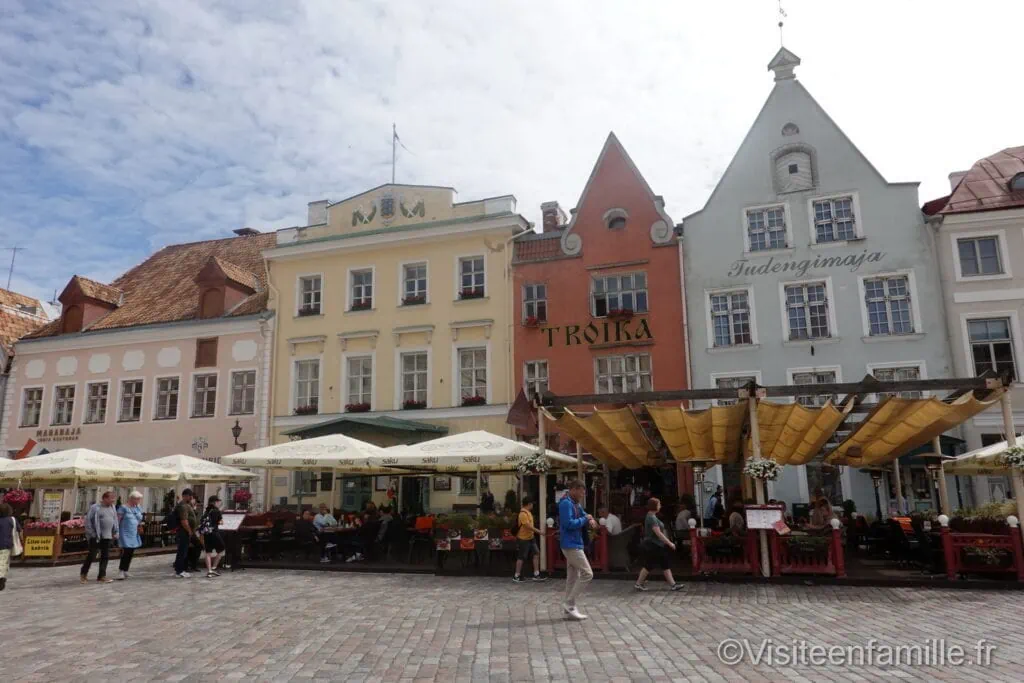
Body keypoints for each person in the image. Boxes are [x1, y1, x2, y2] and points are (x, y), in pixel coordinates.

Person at [559, 480, 597, 621]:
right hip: (571, 544)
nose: (583, 495)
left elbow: (584, 514)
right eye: (581, 492)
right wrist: (584, 520)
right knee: (588, 573)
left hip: (574, 543)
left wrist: (590, 518)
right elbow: (568, 524)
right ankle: (569, 603)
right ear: (573, 490)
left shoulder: (575, 503)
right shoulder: (566, 504)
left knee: (572, 578)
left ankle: (569, 611)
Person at [634, 498, 683, 592]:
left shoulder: (652, 516)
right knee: (651, 564)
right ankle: (639, 583)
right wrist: (669, 543)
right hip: (654, 544)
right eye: (659, 504)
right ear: (654, 506)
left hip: (656, 544)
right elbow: (658, 533)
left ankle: (673, 584)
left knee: (661, 563)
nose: (660, 506)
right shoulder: (651, 518)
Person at [81, 491, 119, 584]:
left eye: (114, 498)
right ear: (105, 498)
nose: (113, 500)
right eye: (111, 498)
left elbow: (115, 519)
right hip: (96, 536)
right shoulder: (95, 507)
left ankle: (101, 576)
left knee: (105, 556)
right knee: (92, 555)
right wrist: (93, 534)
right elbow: (88, 522)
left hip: (107, 535)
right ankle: (83, 573)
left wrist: (116, 531)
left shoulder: (112, 507)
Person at [513, 497, 546, 582]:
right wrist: (539, 531)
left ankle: (536, 574)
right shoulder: (523, 514)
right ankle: (517, 575)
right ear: (529, 504)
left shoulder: (528, 513)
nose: (533, 505)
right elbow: (527, 526)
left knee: (536, 553)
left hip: (531, 538)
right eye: (532, 504)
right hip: (523, 538)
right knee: (521, 557)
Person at [116, 491, 144, 580]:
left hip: (134, 532)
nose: (139, 501)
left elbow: (140, 518)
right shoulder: (123, 508)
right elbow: (118, 520)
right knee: (126, 551)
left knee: (131, 551)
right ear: (132, 498)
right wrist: (116, 532)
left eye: (139, 499)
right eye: (137, 499)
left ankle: (126, 570)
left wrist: (139, 526)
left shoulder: (138, 507)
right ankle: (121, 571)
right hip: (125, 532)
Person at [173, 488, 199, 578]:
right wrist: (189, 531)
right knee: (182, 551)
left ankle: (179, 569)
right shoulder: (183, 506)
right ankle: (179, 571)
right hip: (183, 531)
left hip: (185, 531)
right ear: (186, 496)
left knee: (184, 551)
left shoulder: (187, 505)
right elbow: (184, 521)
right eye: (191, 496)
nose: (192, 498)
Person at [199, 495, 226, 578]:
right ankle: (214, 568)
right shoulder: (216, 511)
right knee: (221, 550)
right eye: (218, 501)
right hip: (214, 533)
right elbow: (221, 522)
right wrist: (219, 522)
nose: (218, 503)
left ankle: (209, 571)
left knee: (208, 553)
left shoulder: (206, 511)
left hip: (207, 533)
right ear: (214, 502)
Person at [0, 503, 19, 591]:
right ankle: (1, 579)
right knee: (3, 562)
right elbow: (19, 530)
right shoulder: (12, 520)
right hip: (6, 544)